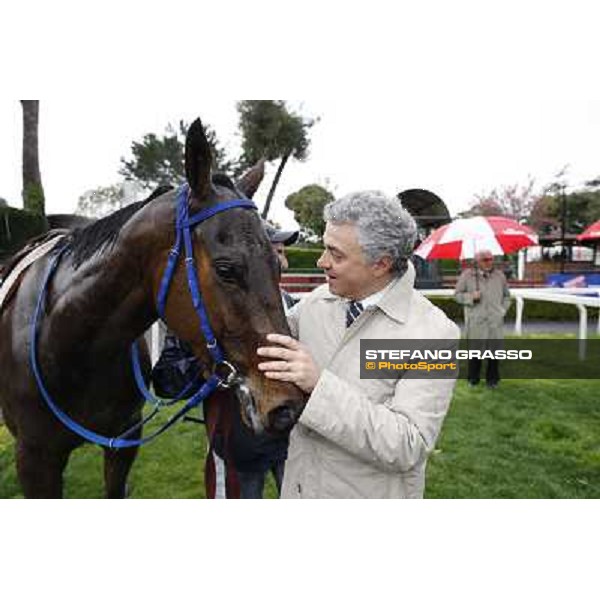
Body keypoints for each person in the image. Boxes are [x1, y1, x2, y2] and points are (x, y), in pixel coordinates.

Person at [256, 191, 460, 499]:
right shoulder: (315, 303)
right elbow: (263, 342)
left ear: (380, 264)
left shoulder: (433, 334)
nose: (321, 262)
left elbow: (407, 445)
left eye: (336, 255)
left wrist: (319, 387)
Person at [152, 222, 299, 499]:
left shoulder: (295, 307)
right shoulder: (204, 316)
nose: (282, 259)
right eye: (274, 251)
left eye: (282, 252)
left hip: (291, 447)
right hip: (237, 451)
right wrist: (209, 366)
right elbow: (165, 381)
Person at [454, 249, 511, 388]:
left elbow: (507, 296)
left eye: (491, 259)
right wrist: (471, 297)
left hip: (494, 320)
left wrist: (502, 310)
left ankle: (493, 380)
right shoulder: (467, 276)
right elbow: (457, 295)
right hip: (476, 320)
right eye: (485, 259)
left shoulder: (500, 276)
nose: (489, 262)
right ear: (477, 261)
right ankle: (473, 380)